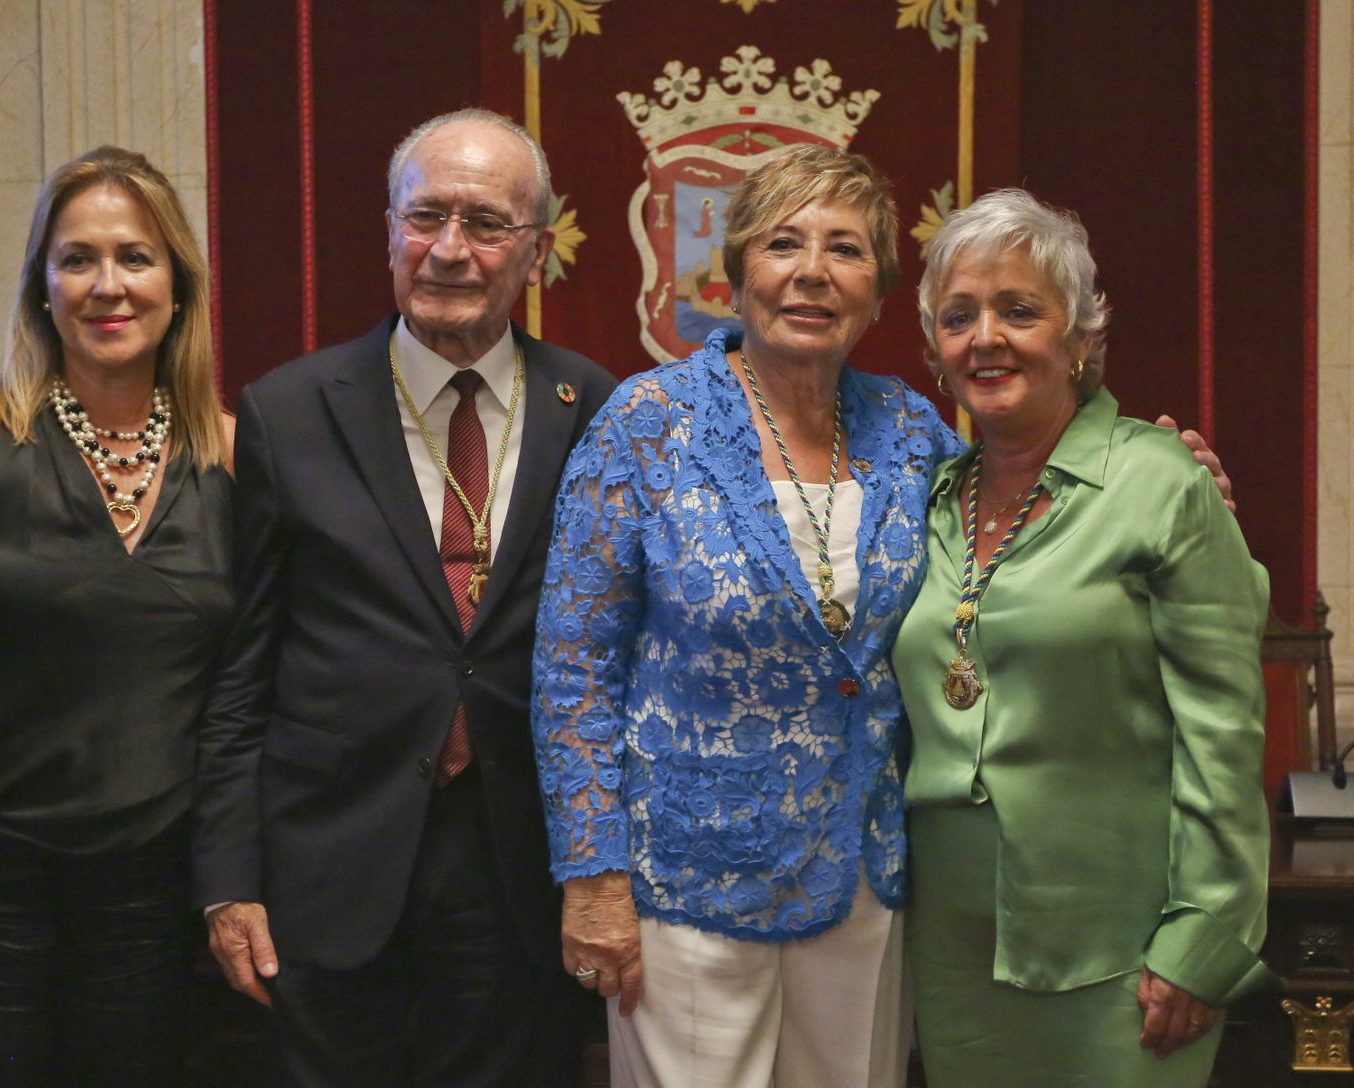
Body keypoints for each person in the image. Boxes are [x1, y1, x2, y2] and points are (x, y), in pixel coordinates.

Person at [192, 108, 616, 1087]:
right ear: (388, 231)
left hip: (519, 863)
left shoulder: (596, 407)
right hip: (332, 856)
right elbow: (240, 667)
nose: (450, 250)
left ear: (538, 251)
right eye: (425, 217)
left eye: (486, 223)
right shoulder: (287, 410)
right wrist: (227, 878)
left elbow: (618, 657)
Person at [532, 143, 950, 1088]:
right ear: (736, 274)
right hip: (685, 886)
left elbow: (1016, 522)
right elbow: (573, 670)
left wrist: (1149, 457)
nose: (811, 271)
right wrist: (592, 881)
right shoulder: (646, 424)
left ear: (879, 289)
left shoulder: (914, 430)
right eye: (782, 243)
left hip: (862, 878)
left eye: (844, 249)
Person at [0, 146, 233, 1087]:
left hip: (159, 890)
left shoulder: (234, 453)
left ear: (178, 285)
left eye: (136, 257)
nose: (109, 285)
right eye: (78, 258)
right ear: (43, 286)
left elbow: (249, 684)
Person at [893, 188, 1272, 1086]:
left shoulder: (1159, 480)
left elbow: (1224, 732)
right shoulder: (925, 498)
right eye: (959, 316)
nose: (986, 336)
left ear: (1082, 339)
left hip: (1125, 953)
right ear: (936, 355)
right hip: (951, 951)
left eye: (1019, 310)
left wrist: (1204, 935)